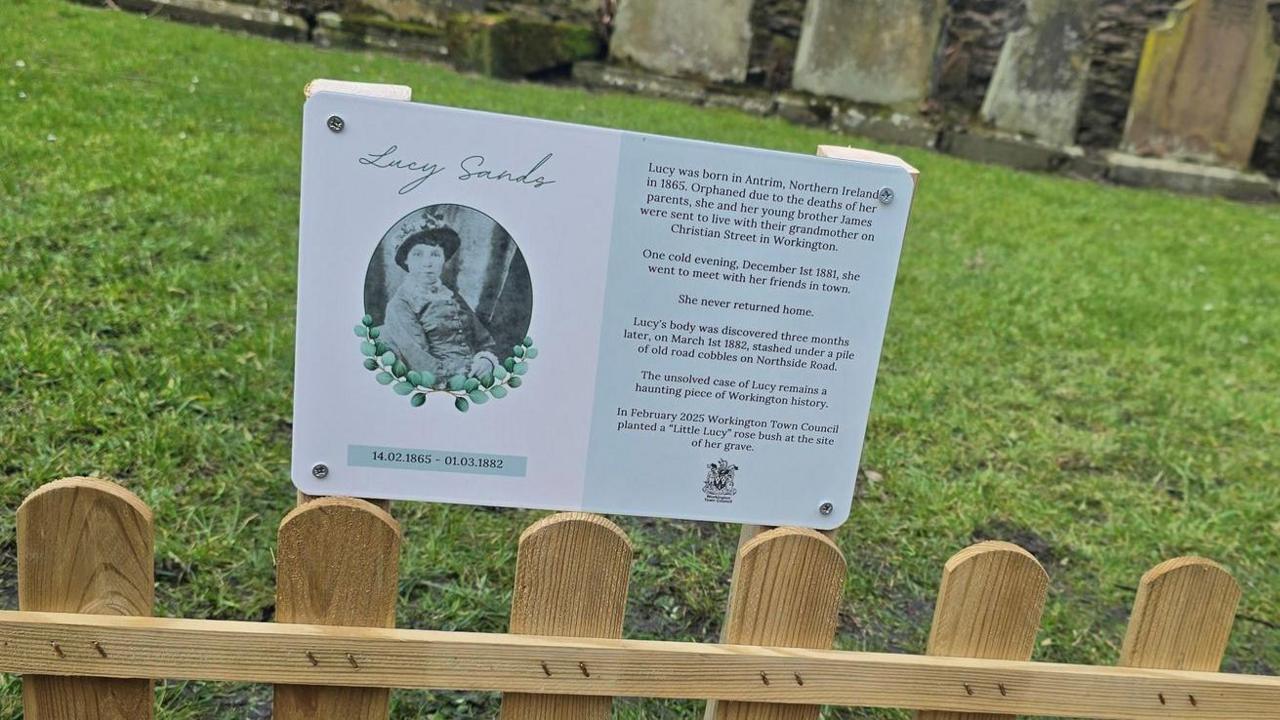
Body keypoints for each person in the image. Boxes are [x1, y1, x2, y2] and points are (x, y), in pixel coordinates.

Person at [380, 227, 501, 383]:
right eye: (418, 255)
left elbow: (484, 340)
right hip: (442, 383)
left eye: (435, 255)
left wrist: (486, 360)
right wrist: (463, 375)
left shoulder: (451, 295)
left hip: (479, 374)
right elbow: (421, 363)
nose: (427, 263)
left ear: (444, 259)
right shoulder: (400, 304)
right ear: (406, 260)